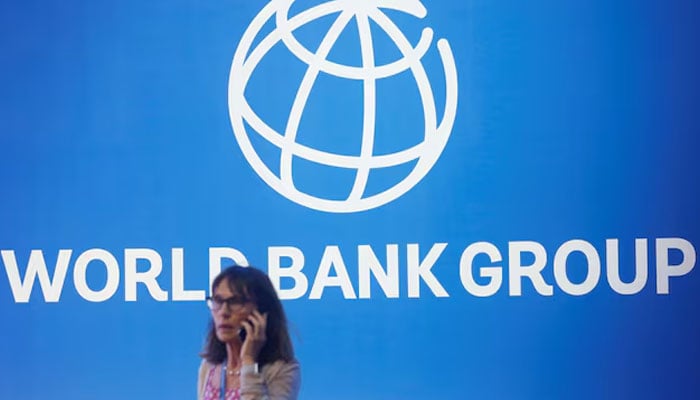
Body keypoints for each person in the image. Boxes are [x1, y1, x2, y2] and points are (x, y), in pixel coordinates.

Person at [198, 265, 300, 400]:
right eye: (218, 301)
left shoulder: (282, 370)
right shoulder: (209, 366)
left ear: (260, 312)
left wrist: (248, 361)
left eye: (235, 302)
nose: (223, 312)